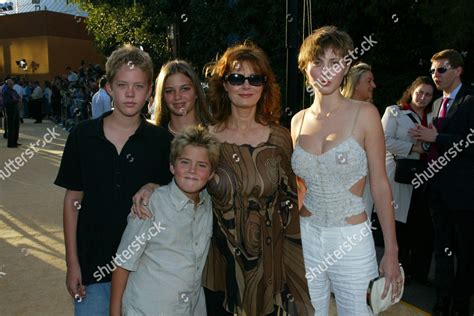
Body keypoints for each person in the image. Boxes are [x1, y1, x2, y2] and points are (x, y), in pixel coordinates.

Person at [291, 26, 402, 315]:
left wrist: (391, 252)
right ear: (305, 68)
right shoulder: (297, 121)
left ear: (346, 67)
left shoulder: (365, 114)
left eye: (335, 62)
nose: (326, 71)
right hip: (306, 238)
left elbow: (379, 185)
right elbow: (299, 188)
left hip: (351, 241)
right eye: (318, 62)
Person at [54, 44, 172, 315]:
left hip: (145, 268)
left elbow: (174, 200)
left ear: (150, 91)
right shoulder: (82, 136)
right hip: (92, 267)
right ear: (108, 88)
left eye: (139, 86)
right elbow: (73, 200)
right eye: (122, 85)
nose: (130, 94)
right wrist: (73, 264)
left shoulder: (162, 142)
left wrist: (154, 186)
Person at [202, 42, 313, 315]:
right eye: (237, 78)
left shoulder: (279, 138)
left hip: (268, 268)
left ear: (265, 86)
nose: (246, 85)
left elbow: (290, 208)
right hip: (219, 265)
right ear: (224, 85)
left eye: (255, 78)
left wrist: (292, 273)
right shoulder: (206, 139)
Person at [110, 125, 220, 316]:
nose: (192, 170)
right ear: (172, 166)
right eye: (184, 162)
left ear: (211, 174)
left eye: (202, 165)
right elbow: (123, 263)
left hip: (192, 308)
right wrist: (114, 313)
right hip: (147, 308)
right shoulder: (150, 204)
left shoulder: (209, 204)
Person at [409, 49, 474, 316]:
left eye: (442, 69)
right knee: (442, 251)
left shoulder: (471, 100)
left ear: (458, 70)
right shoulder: (436, 104)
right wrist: (425, 140)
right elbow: (438, 143)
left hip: (465, 193)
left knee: (467, 254)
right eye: (434, 70)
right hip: (436, 191)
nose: (435, 75)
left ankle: (460, 305)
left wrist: (437, 139)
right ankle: (441, 301)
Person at [129, 59, 213, 200]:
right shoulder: (150, 139)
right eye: (169, 91)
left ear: (197, 92)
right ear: (163, 96)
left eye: (185, 88)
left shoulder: (215, 135)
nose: (177, 96)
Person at [381, 76, 436, 286]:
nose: (422, 97)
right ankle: (399, 271)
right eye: (420, 92)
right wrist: (415, 147)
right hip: (401, 175)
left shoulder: (434, 116)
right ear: (412, 91)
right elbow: (383, 139)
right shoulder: (394, 112)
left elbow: (439, 141)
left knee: (423, 224)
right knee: (400, 223)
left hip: (427, 175)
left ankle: (420, 274)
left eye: (428, 94)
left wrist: (429, 141)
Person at [2, 78, 20, 148]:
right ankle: (10, 143)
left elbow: (18, 97)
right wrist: (14, 100)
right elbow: (6, 102)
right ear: (7, 84)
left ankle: (15, 141)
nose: (11, 85)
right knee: (11, 127)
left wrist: (17, 99)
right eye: (10, 84)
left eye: (12, 83)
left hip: (16, 109)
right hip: (10, 111)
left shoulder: (14, 91)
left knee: (16, 126)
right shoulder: (5, 91)